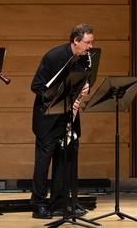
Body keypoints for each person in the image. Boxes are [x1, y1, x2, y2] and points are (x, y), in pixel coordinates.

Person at [30, 24, 94, 219]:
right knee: (44, 162)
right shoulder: (54, 56)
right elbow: (37, 86)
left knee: (65, 160)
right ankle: (38, 204)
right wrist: (59, 97)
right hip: (48, 118)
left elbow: (83, 82)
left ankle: (60, 202)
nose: (91, 46)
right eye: (87, 42)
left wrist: (84, 90)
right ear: (76, 40)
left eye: (92, 42)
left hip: (69, 117)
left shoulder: (86, 59)